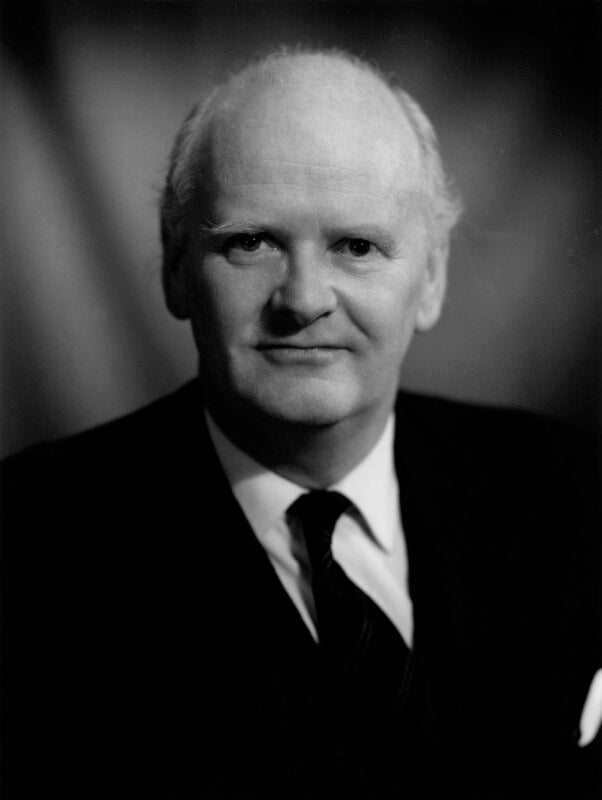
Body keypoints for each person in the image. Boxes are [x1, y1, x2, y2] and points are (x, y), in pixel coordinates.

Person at [1, 49, 600, 799]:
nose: (304, 299)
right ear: (177, 269)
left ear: (432, 276)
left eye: (357, 246)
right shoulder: (23, 545)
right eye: (250, 243)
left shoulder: (576, 493)